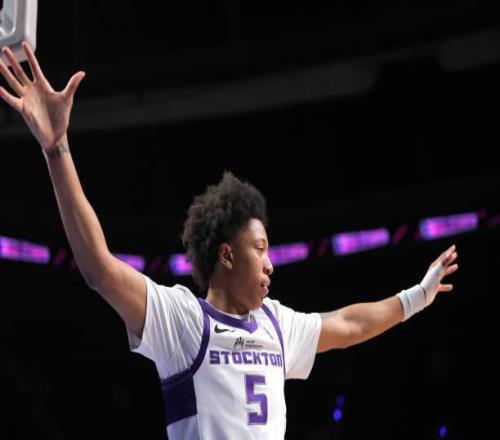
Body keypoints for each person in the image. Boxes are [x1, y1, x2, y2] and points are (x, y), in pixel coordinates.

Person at [0, 42, 459, 439]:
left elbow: (349, 323)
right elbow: (99, 267)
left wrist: (416, 297)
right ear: (227, 255)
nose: (270, 263)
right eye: (259, 249)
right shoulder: (183, 321)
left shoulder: (278, 325)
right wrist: (57, 149)